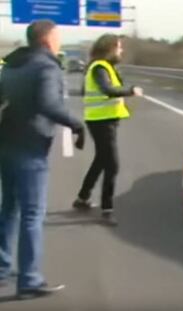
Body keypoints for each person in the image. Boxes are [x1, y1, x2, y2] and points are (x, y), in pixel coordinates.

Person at [0, 20, 84, 298]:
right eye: (58, 36)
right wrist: (76, 124)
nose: (59, 41)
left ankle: (2, 269)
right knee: (32, 214)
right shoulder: (46, 67)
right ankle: (29, 280)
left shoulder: (11, 66)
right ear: (48, 39)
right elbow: (48, 104)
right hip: (31, 149)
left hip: (6, 146)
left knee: (9, 209)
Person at [72, 34, 143, 226]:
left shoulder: (105, 67)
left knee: (101, 160)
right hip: (100, 121)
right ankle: (107, 209)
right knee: (112, 164)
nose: (121, 51)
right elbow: (107, 90)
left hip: (104, 120)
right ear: (109, 48)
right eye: (119, 47)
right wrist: (131, 91)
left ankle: (83, 197)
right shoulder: (99, 67)